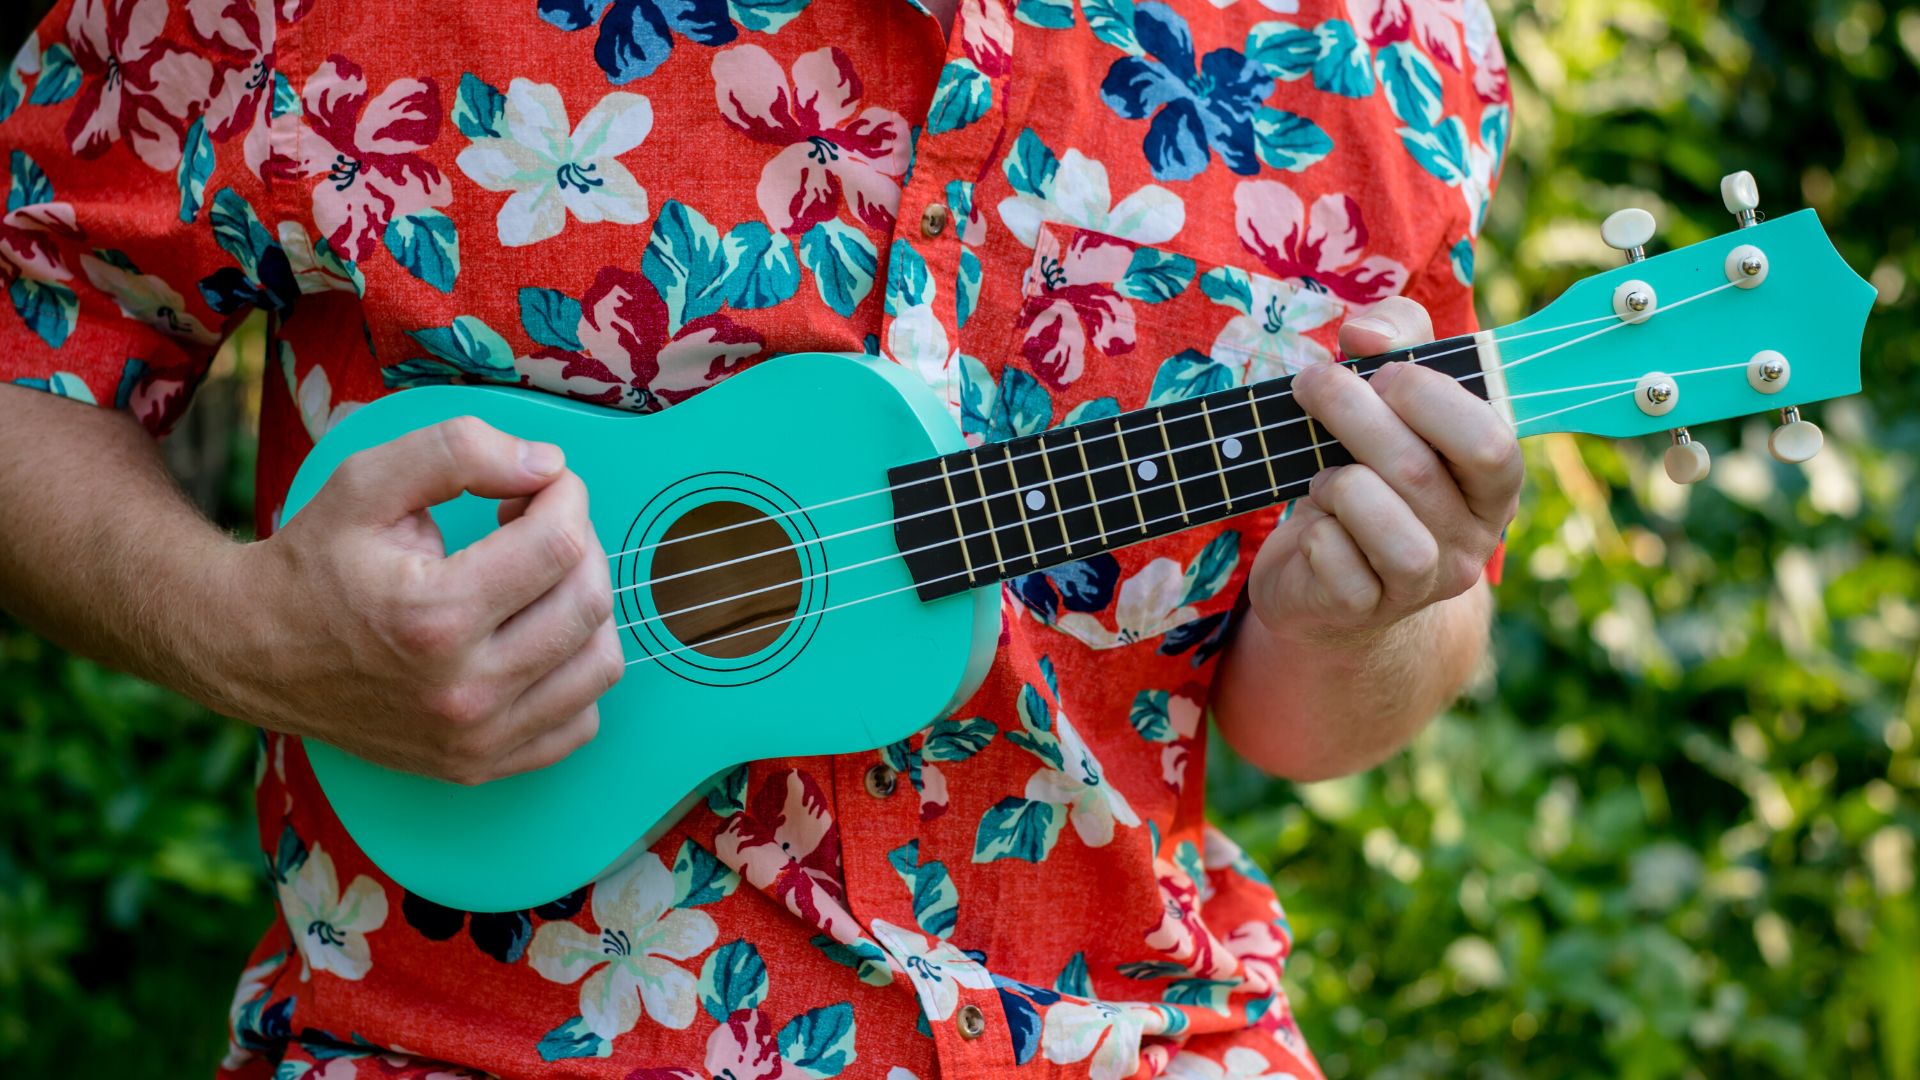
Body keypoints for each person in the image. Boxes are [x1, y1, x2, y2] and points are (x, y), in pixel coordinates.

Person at [0, 0, 1519, 1075]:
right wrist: (242, 630)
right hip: (476, 1047)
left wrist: (1365, 618)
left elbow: (1321, 712)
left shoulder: (1388, 51)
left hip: (1136, 1036)